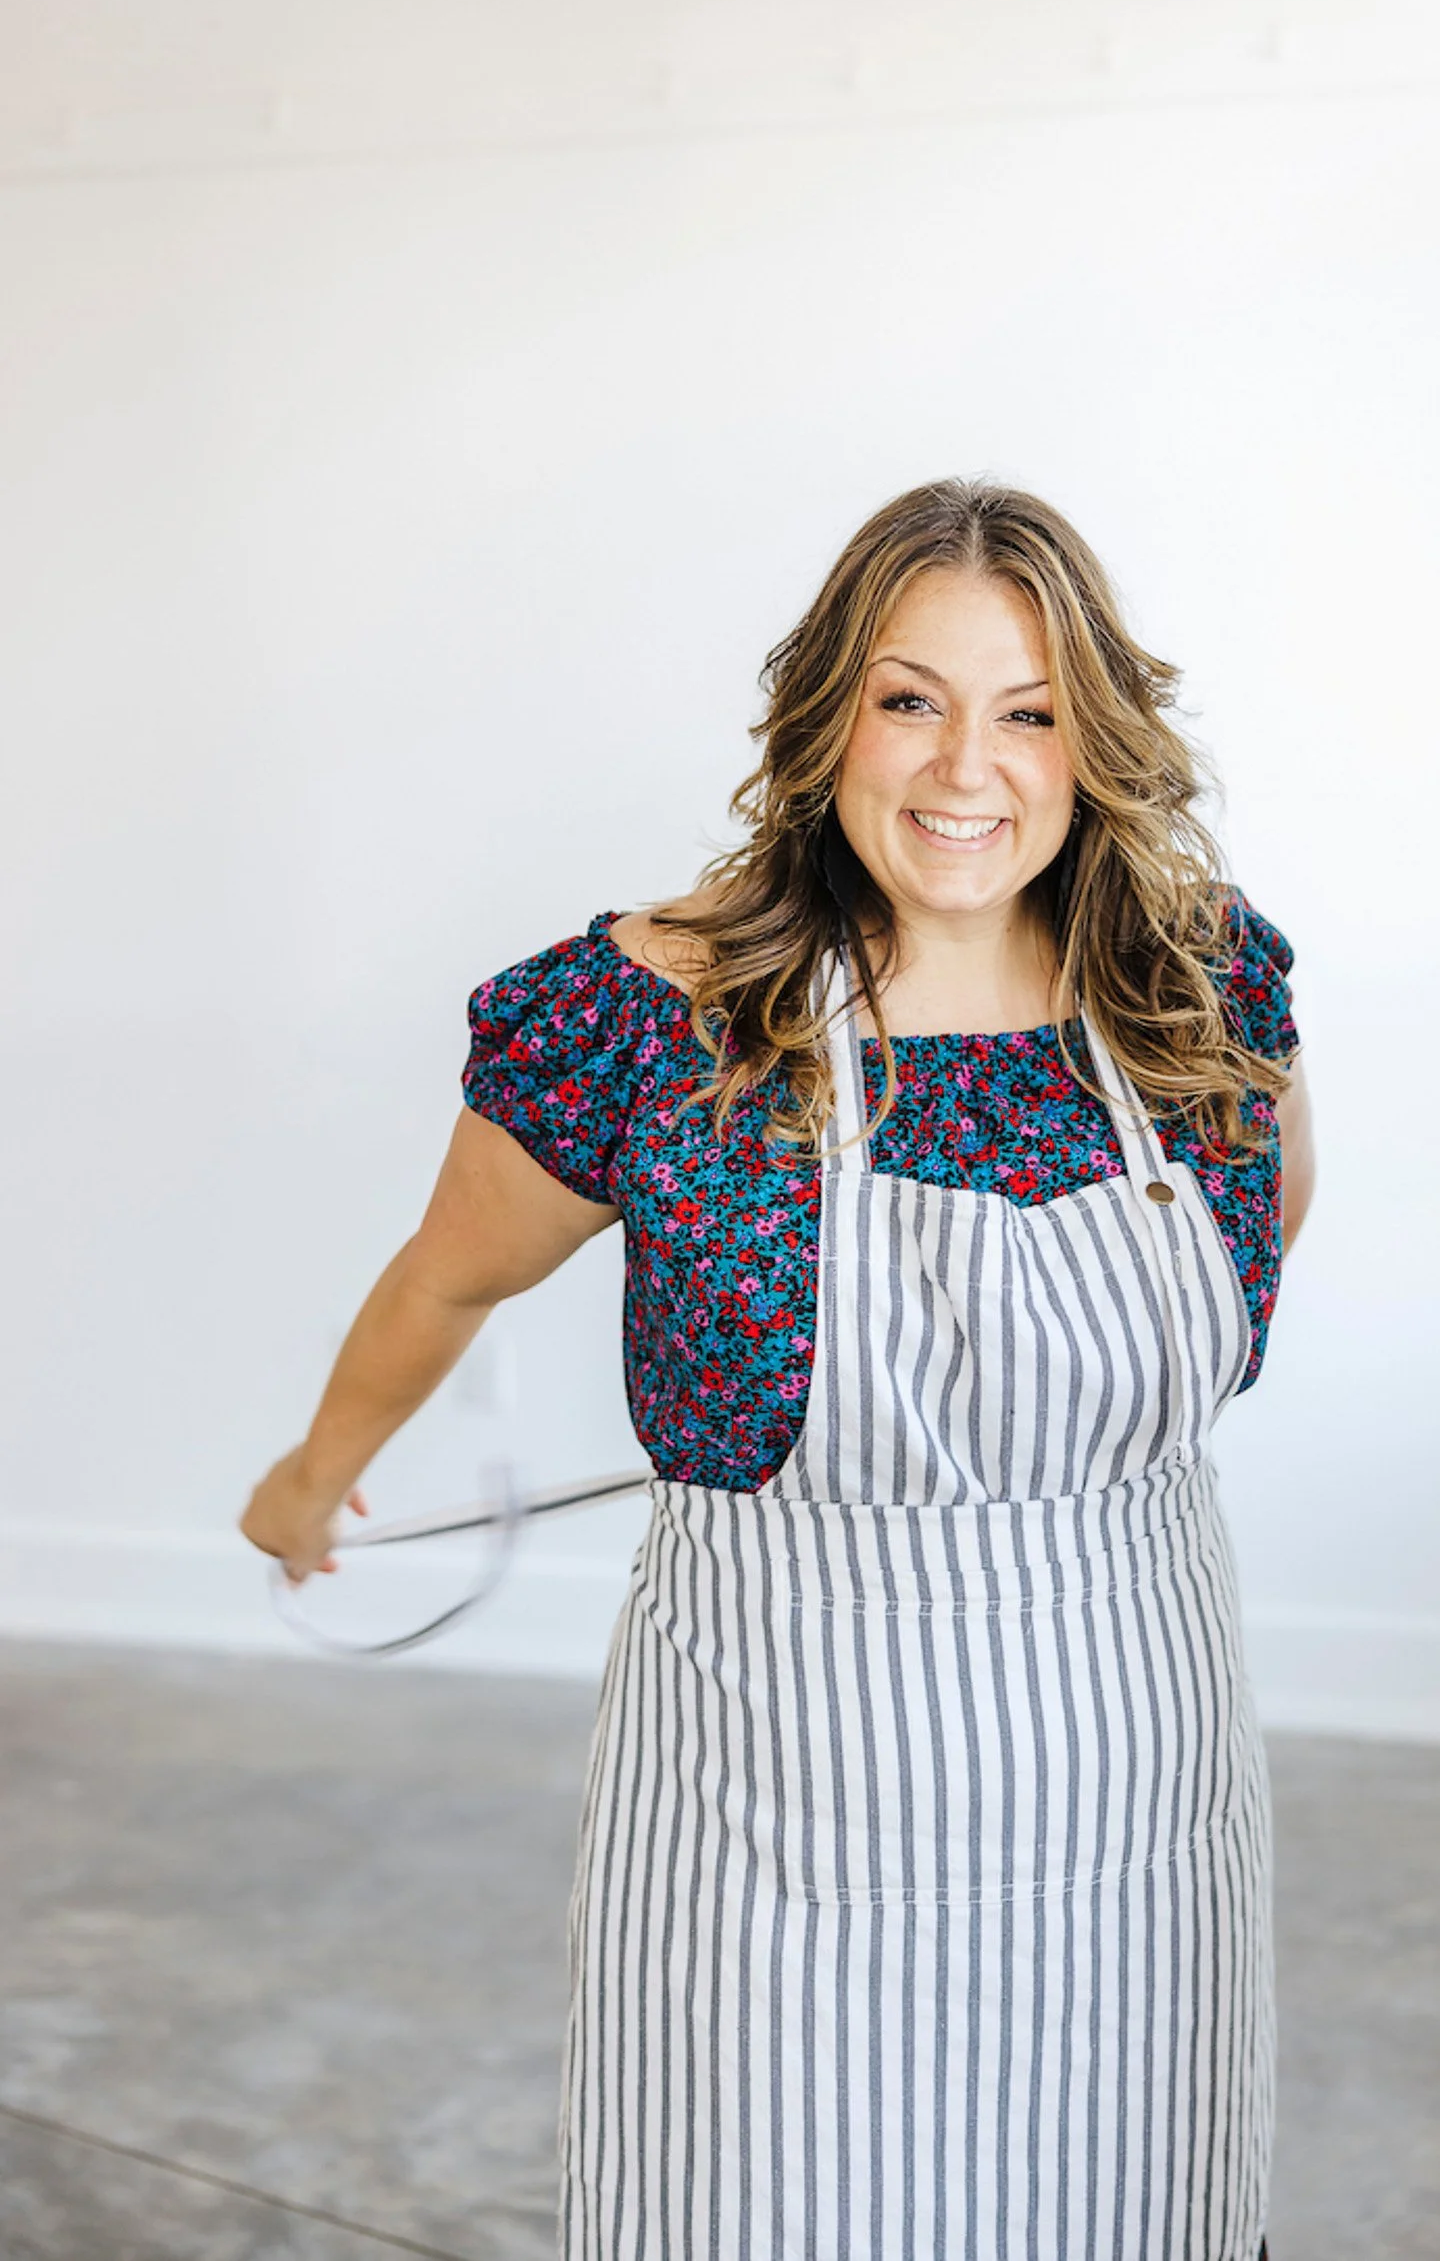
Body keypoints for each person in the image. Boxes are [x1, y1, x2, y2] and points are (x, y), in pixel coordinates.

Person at [240, 476, 1315, 2261]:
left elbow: (1265, 1232)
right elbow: (443, 1281)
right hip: (782, 1808)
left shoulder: (1195, 994)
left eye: (1028, 711)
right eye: (910, 700)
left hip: (1138, 1796)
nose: (965, 769)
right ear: (825, 717)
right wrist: (309, 1474)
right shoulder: (657, 1023)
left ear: (1092, 739)